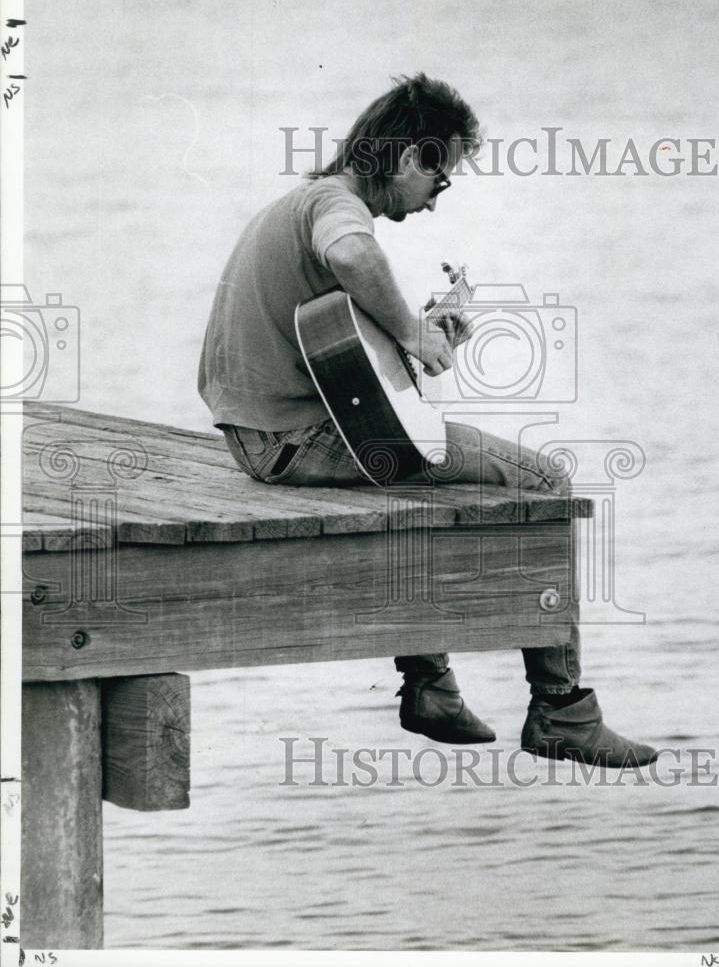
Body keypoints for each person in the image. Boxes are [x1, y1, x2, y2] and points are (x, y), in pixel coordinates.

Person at [198, 73, 657, 767]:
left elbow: (338, 362)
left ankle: (431, 684)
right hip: (297, 443)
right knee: (547, 480)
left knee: (412, 472)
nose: (434, 206)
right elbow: (351, 252)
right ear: (411, 159)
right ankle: (563, 709)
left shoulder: (296, 203)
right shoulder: (334, 204)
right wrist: (413, 334)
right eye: (438, 184)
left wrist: (411, 338)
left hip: (261, 439)